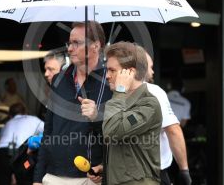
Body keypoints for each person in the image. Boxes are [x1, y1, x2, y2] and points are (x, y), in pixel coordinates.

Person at [33, 21, 112, 185]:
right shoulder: (58, 80)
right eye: (69, 43)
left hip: (90, 178)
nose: (69, 49)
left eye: (76, 43)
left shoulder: (110, 81)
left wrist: (104, 166)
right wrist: (38, 177)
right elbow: (48, 131)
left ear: (96, 46)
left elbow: (119, 134)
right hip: (53, 176)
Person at [103, 42, 162, 185]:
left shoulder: (149, 104)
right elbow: (122, 146)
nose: (107, 76)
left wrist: (120, 90)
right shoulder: (120, 100)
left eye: (112, 70)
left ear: (130, 72)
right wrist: (106, 168)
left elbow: (112, 132)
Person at [145, 52, 192, 185]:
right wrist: (184, 171)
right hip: (157, 169)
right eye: (150, 66)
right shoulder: (156, 92)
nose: (153, 71)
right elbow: (176, 128)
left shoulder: (118, 93)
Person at [0, 102, 44, 185]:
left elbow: (0, 141)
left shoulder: (7, 124)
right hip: (22, 155)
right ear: (25, 112)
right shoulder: (35, 120)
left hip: (2, 154)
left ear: (10, 115)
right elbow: (48, 133)